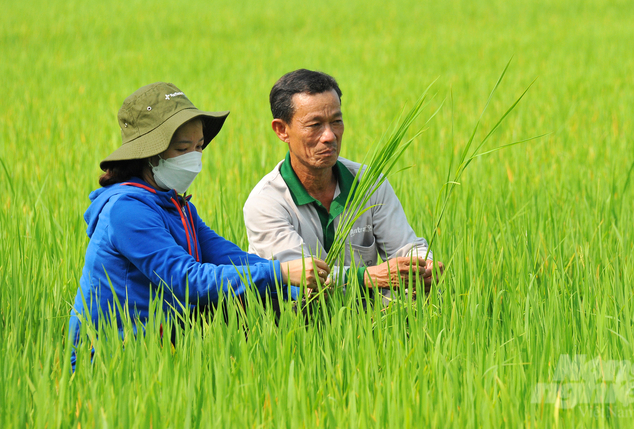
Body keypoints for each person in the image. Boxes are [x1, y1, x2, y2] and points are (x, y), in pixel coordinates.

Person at [69, 82, 330, 368]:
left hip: (162, 337)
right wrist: (279, 273)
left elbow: (234, 259)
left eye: (199, 147)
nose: (195, 157)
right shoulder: (126, 210)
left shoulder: (179, 207)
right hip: (114, 354)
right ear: (150, 153)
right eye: (183, 148)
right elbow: (187, 280)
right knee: (251, 300)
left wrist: (300, 290)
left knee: (264, 301)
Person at [243, 69, 443, 302]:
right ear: (282, 130)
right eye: (315, 124)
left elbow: (405, 247)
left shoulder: (368, 183)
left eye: (336, 121)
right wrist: (367, 277)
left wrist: (424, 266)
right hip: (296, 321)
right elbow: (304, 281)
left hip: (368, 317)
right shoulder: (266, 202)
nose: (329, 135)